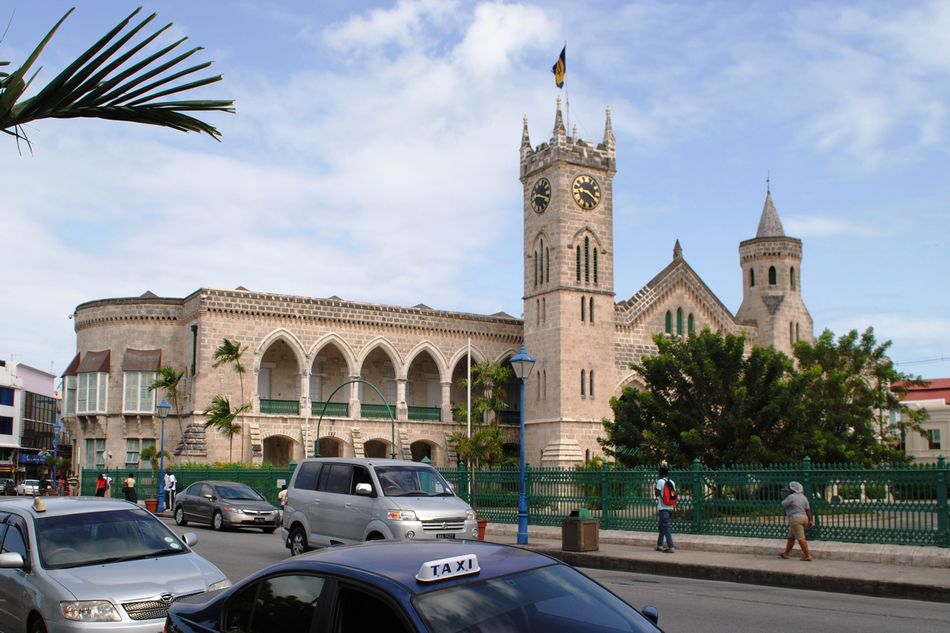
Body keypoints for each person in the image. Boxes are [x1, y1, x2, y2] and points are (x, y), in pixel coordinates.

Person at [780, 481, 814, 561]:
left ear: (793, 489)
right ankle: (786, 554)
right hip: (804, 518)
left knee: (801, 538)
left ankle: (808, 555)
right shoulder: (803, 497)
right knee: (791, 537)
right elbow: (808, 510)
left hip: (795, 519)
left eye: (789, 488)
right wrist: (810, 520)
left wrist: (786, 496)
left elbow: (784, 504)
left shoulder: (791, 497)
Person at [654, 463, 676, 553]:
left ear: (660, 473)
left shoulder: (660, 481)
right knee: (662, 527)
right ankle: (659, 545)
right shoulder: (672, 482)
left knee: (665, 527)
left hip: (663, 508)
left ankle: (671, 547)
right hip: (669, 507)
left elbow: (657, 494)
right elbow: (673, 496)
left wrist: (655, 489)